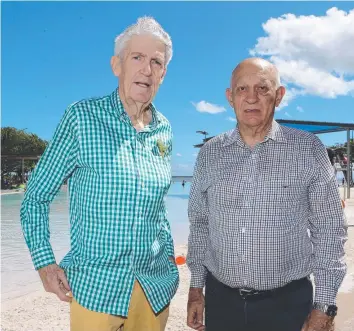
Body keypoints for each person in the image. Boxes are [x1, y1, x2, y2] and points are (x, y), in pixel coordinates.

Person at [20, 16, 179, 331]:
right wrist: (45, 264)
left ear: (163, 73)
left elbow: (158, 210)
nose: (146, 69)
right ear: (116, 65)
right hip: (96, 289)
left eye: (156, 62)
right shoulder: (81, 118)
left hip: (154, 289)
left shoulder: (165, 130)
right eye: (137, 58)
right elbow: (35, 197)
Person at [186, 58, 347, 331]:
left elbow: (330, 229)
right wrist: (195, 288)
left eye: (262, 89)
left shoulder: (307, 149)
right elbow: (201, 224)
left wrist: (324, 305)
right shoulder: (209, 154)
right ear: (230, 97)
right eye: (242, 89)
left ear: (279, 95)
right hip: (222, 303)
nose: (251, 98)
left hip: (288, 305)